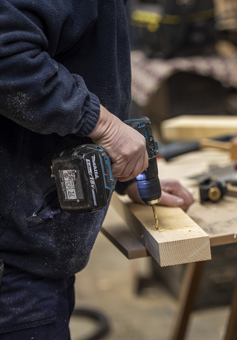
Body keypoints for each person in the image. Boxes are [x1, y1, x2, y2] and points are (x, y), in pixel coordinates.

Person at [0, 0, 194, 338]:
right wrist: (105, 127)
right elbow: (8, 56)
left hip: (38, 245)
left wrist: (127, 170)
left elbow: (90, 63)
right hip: (14, 264)